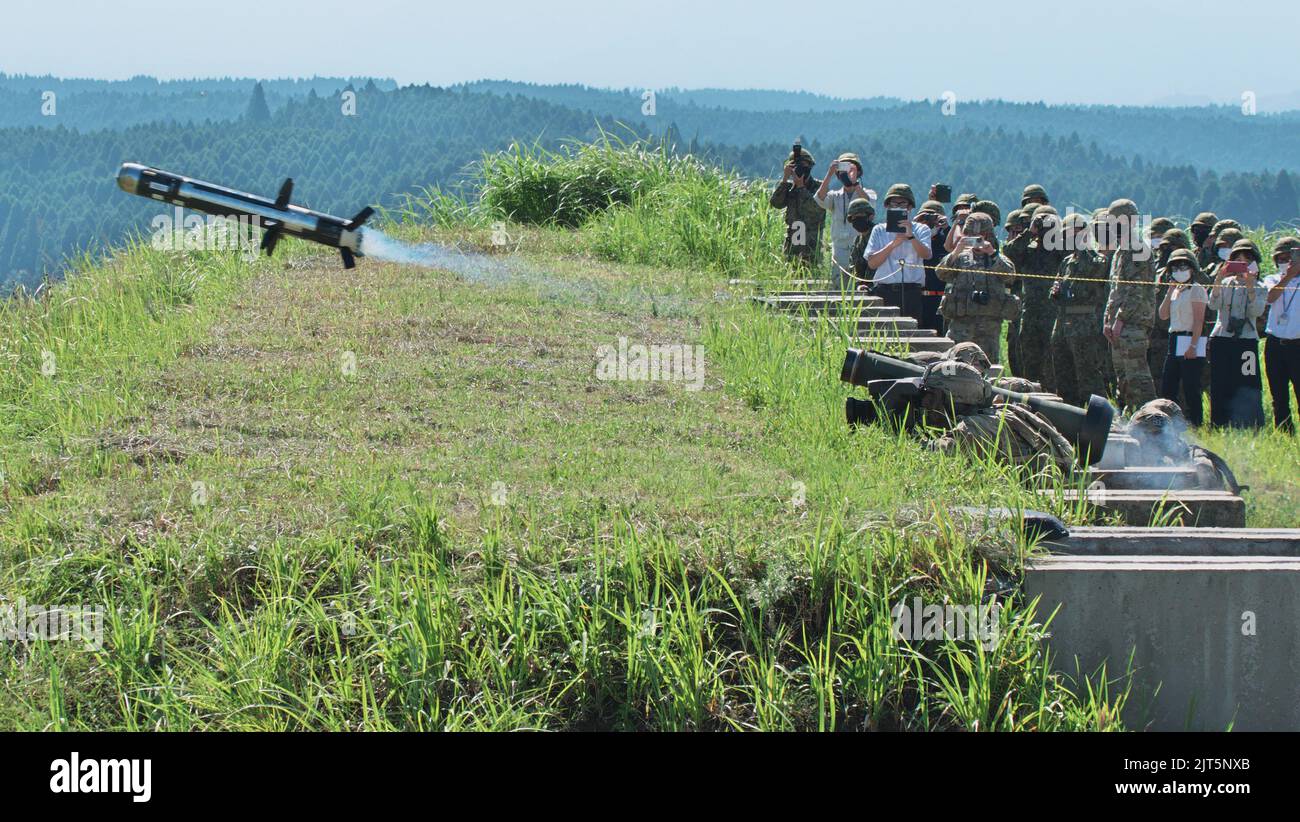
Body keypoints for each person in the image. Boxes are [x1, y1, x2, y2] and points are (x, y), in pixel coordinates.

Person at [935, 212, 1018, 363]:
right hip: (961, 323)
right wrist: (956, 251)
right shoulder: (960, 258)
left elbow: (1010, 277)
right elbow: (940, 273)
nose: (977, 240)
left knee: (988, 365)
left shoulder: (997, 258)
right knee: (955, 362)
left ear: (989, 236)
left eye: (981, 235)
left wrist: (992, 254)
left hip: (989, 325)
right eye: (972, 235)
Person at [1048, 213, 1111, 407]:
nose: (1069, 238)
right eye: (1066, 234)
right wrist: (1056, 290)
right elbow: (1057, 286)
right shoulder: (1066, 262)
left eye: (1074, 234)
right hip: (1063, 322)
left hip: (1084, 322)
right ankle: (1070, 413)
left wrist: (1084, 248)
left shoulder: (1096, 260)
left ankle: (1100, 416)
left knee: (1088, 374)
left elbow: (1096, 280)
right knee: (1063, 372)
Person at [1004, 199, 1068, 388]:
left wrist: (1056, 233)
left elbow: (1070, 256)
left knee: (1053, 362)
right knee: (1028, 362)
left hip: (1053, 314)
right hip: (1029, 313)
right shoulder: (1027, 249)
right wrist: (1030, 232)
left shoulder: (1062, 247)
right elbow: (1008, 254)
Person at [1102, 198, 1158, 410]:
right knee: (1123, 379)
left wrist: (1120, 320)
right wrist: (1108, 320)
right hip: (1119, 326)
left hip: (1132, 324)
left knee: (1138, 378)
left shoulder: (1137, 249)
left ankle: (1152, 422)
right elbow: (1114, 291)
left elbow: (1135, 290)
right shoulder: (1120, 251)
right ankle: (1130, 417)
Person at [1206, 238, 1268, 427]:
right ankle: (1219, 422)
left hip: (1246, 340)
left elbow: (1256, 312)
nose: (1243, 265)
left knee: (1248, 380)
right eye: (1238, 261)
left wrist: (1249, 287)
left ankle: (1249, 423)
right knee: (1220, 382)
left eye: (1247, 261)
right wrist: (1218, 278)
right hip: (1222, 338)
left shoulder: (1260, 287)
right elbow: (1213, 304)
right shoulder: (1225, 283)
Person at [1156, 248, 1208, 426]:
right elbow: (1163, 315)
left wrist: (1193, 346)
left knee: (1191, 386)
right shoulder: (1175, 291)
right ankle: (1170, 423)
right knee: (1169, 383)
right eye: (1175, 269)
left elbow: (1199, 320)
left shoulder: (1197, 290)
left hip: (1190, 338)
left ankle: (1196, 423)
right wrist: (1169, 292)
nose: (1179, 272)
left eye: (1183, 267)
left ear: (1192, 269)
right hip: (1174, 338)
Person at [864, 183, 932, 321]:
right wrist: (893, 244)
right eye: (894, 203)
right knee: (884, 333)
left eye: (903, 204)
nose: (898, 207)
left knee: (912, 335)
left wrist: (911, 236)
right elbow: (872, 263)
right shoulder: (879, 230)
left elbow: (927, 255)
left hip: (912, 291)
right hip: (885, 290)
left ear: (910, 207)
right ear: (887, 206)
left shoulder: (921, 229)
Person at [816, 151, 876, 290]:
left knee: (860, 284)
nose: (848, 172)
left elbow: (870, 203)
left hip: (860, 248)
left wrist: (854, 184)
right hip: (839, 249)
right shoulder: (835, 195)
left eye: (852, 169)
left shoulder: (867, 192)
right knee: (839, 286)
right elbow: (819, 198)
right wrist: (829, 174)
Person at [1263, 236, 1300, 431]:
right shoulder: (1273, 279)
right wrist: (1287, 276)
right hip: (1276, 343)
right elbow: (1269, 298)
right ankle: (1285, 431)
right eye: (1281, 258)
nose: (1285, 262)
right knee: (1278, 394)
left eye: (1290, 258)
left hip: (1298, 344)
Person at [1147, 226, 1193, 383]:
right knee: (1161, 383)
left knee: (1185, 384)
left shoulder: (1194, 275)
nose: (1168, 251)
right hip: (1158, 340)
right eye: (1165, 247)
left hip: (1185, 337)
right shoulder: (1158, 274)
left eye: (1173, 247)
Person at [769, 148, 826, 270]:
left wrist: (801, 187)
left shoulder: (819, 186)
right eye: (797, 165)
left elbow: (817, 209)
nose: (801, 168)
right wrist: (785, 180)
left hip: (812, 244)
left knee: (812, 277)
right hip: (793, 243)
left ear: (810, 166)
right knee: (791, 275)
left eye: (804, 164)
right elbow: (776, 203)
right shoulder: (789, 188)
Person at [916, 200, 950, 332]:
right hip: (918, 298)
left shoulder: (946, 240)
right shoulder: (913, 239)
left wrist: (947, 228)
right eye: (926, 218)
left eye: (935, 218)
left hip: (940, 299)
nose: (930, 223)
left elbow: (955, 248)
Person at [847, 197, 877, 286]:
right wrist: (859, 285)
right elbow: (854, 267)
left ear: (870, 216)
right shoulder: (857, 241)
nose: (856, 219)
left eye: (859, 215)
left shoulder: (879, 235)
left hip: (880, 286)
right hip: (864, 289)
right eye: (853, 217)